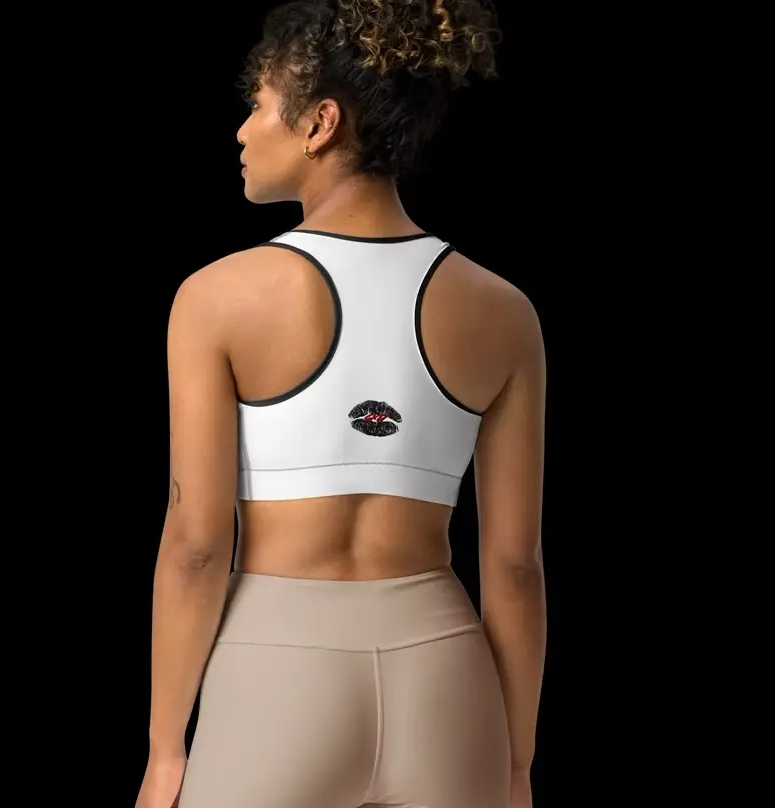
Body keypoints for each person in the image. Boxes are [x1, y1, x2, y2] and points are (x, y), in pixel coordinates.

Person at [135, 1, 545, 806]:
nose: (243, 131)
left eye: (259, 105)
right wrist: (517, 760)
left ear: (319, 123)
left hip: (277, 672)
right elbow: (515, 568)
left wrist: (163, 748)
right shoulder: (503, 311)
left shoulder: (218, 298)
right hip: (445, 675)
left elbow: (195, 546)